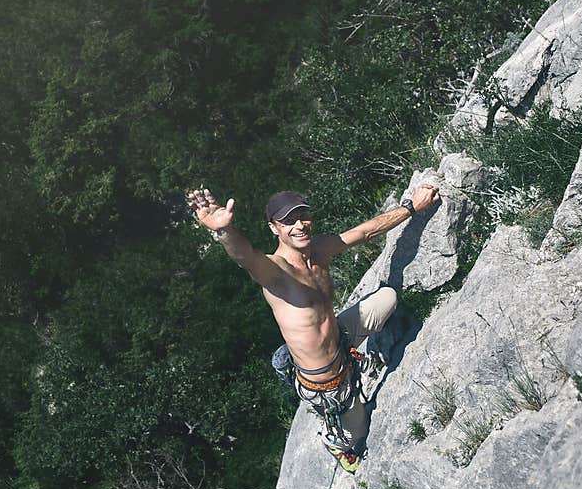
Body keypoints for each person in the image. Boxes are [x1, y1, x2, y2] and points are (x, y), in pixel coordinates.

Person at [186, 183, 440, 472]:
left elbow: (365, 232)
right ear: (274, 229)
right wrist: (224, 231)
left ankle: (352, 351)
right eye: (288, 221)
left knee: (388, 298)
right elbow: (247, 258)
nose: (299, 225)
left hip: (341, 338)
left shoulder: (319, 250)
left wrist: (412, 207)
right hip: (326, 380)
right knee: (356, 434)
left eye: (303, 216)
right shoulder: (277, 272)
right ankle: (334, 441)